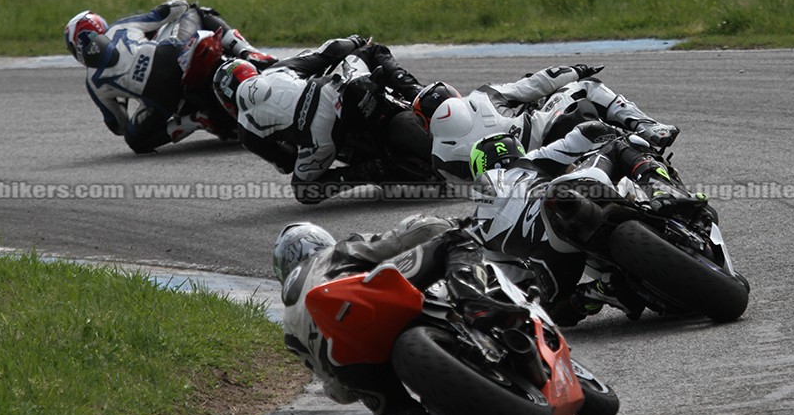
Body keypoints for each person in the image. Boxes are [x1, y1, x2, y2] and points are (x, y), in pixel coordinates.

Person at [274, 214, 536, 415]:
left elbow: (340, 393)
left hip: (353, 363)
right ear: (319, 241)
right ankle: (472, 299)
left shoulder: (289, 325)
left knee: (392, 410)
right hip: (371, 301)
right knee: (456, 239)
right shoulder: (337, 251)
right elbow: (406, 236)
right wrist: (445, 224)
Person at [465, 127, 704, 326]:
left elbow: (516, 283)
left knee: (550, 310)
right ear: (517, 150)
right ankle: (662, 190)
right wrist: (636, 129)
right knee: (620, 145)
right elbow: (586, 132)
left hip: (548, 256)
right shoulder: (532, 160)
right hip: (560, 201)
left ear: (477, 167)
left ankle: (594, 293)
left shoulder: (478, 225)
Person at [216, 35, 428, 204]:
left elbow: (286, 163)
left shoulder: (245, 130)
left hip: (321, 141)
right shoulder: (276, 70)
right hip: (334, 92)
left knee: (304, 190)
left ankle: (369, 170)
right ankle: (419, 95)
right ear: (251, 71)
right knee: (373, 50)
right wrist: (356, 41)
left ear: (228, 104)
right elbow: (329, 51)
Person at [63, 0, 277, 154]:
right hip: (172, 57)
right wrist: (176, 7)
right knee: (197, 10)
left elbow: (118, 126)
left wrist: (124, 97)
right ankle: (247, 51)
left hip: (161, 101)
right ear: (101, 25)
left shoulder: (93, 82)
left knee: (135, 140)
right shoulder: (121, 27)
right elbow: (173, 8)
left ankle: (195, 120)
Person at [411, 64, 680, 183]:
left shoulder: (439, 159)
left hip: (517, 185)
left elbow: (471, 193)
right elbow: (536, 83)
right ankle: (647, 127)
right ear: (455, 94)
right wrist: (577, 69)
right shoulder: (482, 95)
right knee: (585, 88)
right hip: (545, 135)